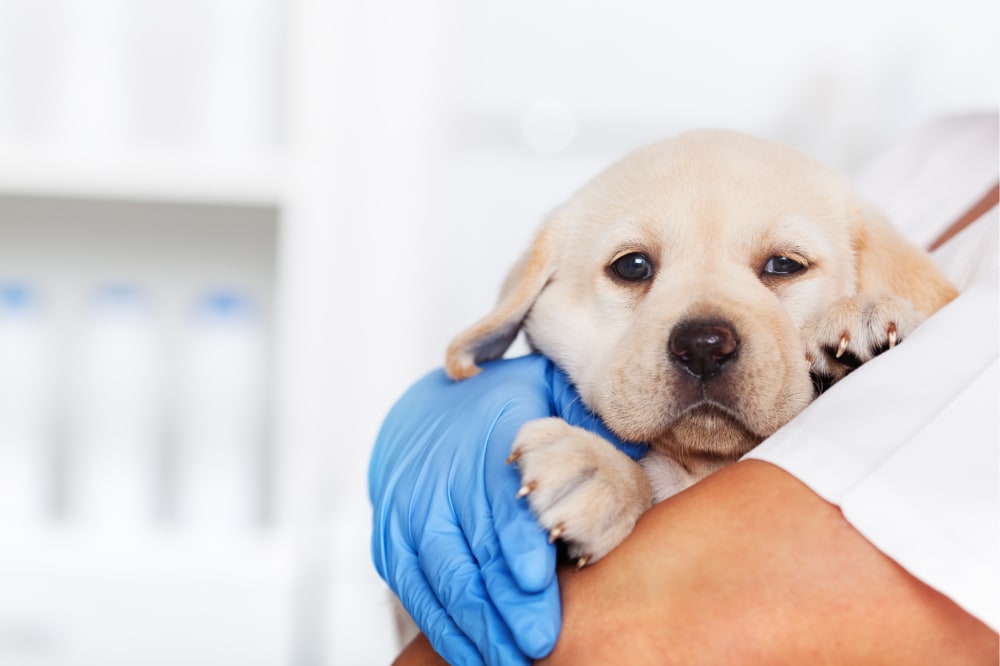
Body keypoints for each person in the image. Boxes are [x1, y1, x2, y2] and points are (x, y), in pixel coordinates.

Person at [369, 114, 999, 664]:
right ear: (540, 291)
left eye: (783, 265)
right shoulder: (937, 153)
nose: (706, 340)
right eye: (632, 267)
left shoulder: (874, 236)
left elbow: (628, 638)